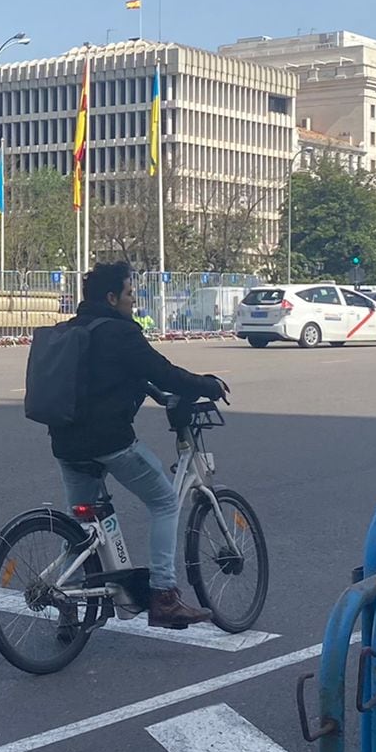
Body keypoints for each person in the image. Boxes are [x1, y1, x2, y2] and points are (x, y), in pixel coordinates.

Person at [48, 261, 227, 629]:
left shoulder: (74, 328)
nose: (134, 301)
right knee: (164, 502)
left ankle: (67, 601)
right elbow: (161, 371)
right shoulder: (119, 333)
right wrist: (206, 385)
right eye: (130, 294)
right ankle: (165, 596)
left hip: (65, 441)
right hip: (109, 441)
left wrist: (157, 393)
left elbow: (125, 377)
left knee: (84, 528)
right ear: (112, 298)